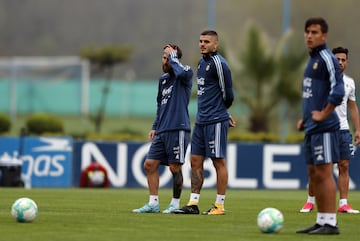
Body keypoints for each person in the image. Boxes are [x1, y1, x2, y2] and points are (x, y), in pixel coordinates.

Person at [174, 30, 235, 215]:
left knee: (218, 161)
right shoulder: (201, 63)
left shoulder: (220, 64)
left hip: (215, 120)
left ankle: (220, 205)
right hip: (200, 121)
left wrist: (223, 112)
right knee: (195, 161)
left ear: (215, 44)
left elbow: (228, 94)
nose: (202, 44)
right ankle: (193, 204)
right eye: (200, 41)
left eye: (207, 41)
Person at [296, 17, 344, 235]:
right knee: (315, 174)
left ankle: (331, 223)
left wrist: (324, 114)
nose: (309, 36)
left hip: (325, 128)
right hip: (311, 128)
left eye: (314, 32)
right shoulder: (313, 59)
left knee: (324, 174)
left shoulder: (327, 58)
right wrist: (305, 118)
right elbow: (312, 95)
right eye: (307, 32)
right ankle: (322, 220)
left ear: (324, 35)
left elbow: (338, 91)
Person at [132, 44, 193, 213]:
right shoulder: (163, 80)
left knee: (175, 167)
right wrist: (155, 126)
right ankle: (153, 203)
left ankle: (174, 203)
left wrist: (173, 58)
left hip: (178, 128)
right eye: (163, 56)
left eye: (168, 57)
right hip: (163, 129)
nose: (164, 60)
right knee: (149, 164)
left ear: (175, 58)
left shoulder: (185, 73)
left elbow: (180, 71)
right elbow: (160, 105)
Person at [300, 46, 360, 214]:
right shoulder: (322, 80)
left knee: (344, 165)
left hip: (343, 130)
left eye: (343, 59)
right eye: (337, 59)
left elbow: (353, 108)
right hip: (324, 129)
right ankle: (310, 201)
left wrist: (358, 129)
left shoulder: (350, 83)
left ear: (347, 62)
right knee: (319, 167)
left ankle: (343, 204)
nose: (340, 62)